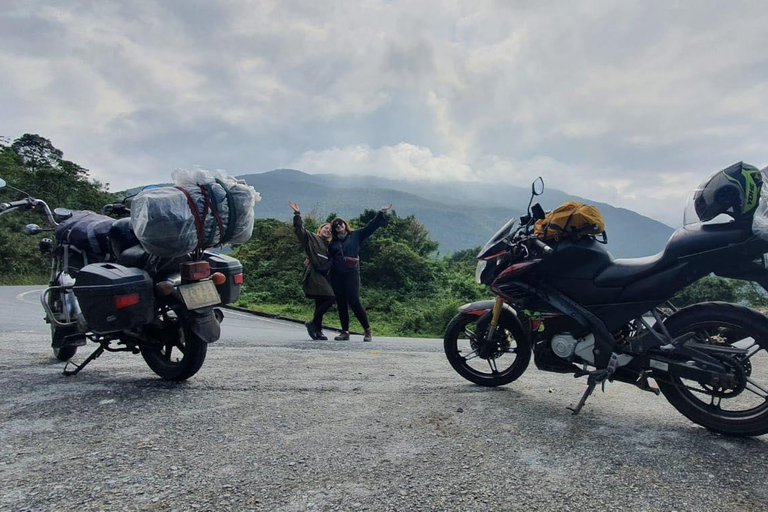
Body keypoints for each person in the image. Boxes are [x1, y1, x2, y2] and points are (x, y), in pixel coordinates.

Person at [329, 204, 392, 342]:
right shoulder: (332, 243)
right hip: (337, 275)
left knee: (354, 301)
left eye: (341, 223)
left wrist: (381, 212)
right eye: (336, 225)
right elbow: (324, 255)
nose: (339, 226)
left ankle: (367, 330)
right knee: (341, 302)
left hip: (351, 273)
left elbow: (371, 227)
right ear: (334, 229)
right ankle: (345, 331)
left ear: (345, 225)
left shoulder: (355, 235)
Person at [289, 201, 335, 340]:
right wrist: (297, 214)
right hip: (315, 275)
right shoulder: (312, 238)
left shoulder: (329, 245)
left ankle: (318, 330)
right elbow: (299, 231)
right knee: (330, 298)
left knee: (320, 302)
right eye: (325, 228)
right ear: (320, 229)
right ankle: (313, 323)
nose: (328, 230)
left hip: (325, 277)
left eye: (330, 230)